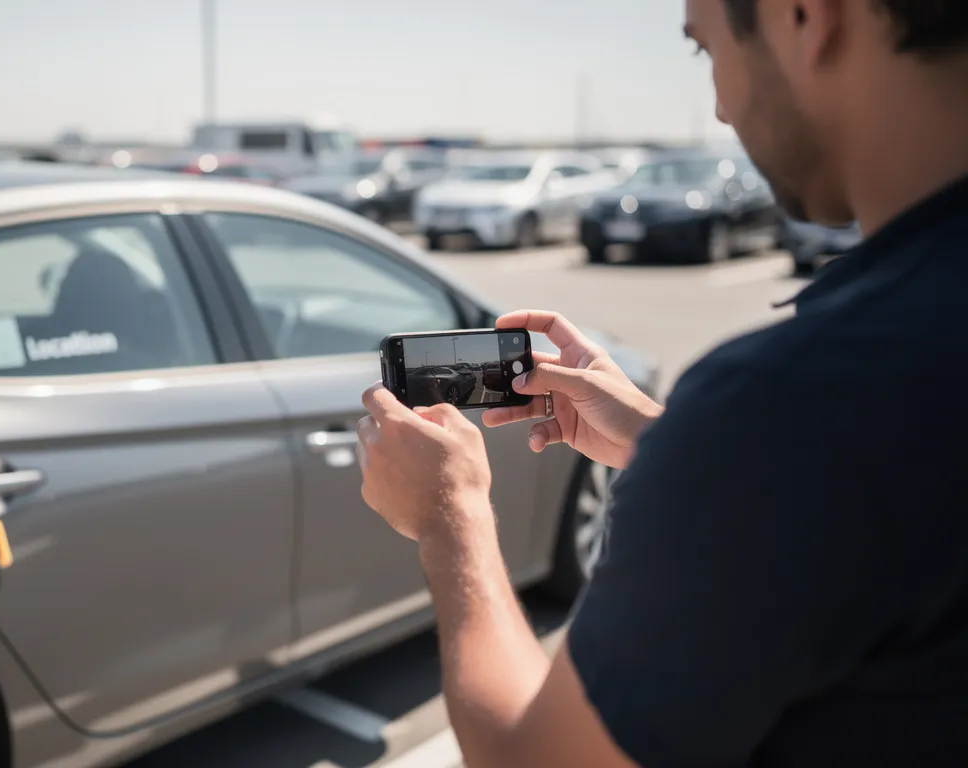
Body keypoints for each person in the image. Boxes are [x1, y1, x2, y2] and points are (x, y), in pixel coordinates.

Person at [355, 0, 968, 765]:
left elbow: (535, 757)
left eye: (703, 49)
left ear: (805, 17)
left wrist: (450, 518)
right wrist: (661, 439)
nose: (718, 105)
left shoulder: (795, 402)